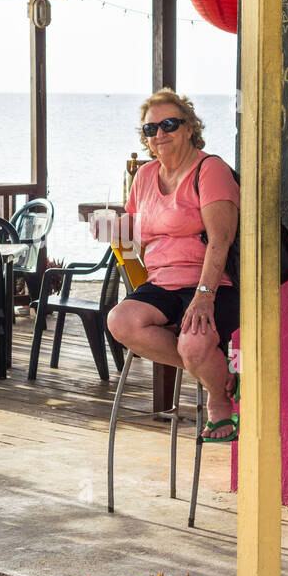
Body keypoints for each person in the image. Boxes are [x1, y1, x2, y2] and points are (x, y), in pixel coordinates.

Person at [104, 89, 240, 442]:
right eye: (151, 129)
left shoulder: (211, 170)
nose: (160, 134)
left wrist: (204, 296)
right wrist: (110, 229)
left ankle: (218, 400)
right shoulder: (145, 177)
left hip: (213, 283)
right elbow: (138, 236)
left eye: (169, 124)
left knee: (193, 345)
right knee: (120, 321)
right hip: (162, 282)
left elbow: (221, 239)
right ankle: (219, 372)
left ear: (190, 127)